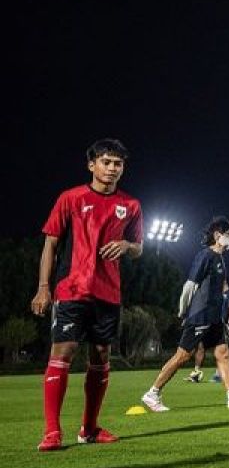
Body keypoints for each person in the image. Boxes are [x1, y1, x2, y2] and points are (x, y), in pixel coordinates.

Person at [30, 139, 143, 451]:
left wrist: (126, 246)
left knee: (101, 357)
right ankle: (52, 432)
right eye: (105, 162)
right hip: (72, 289)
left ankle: (89, 429)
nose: (111, 168)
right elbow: (50, 246)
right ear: (91, 165)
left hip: (108, 293)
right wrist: (43, 288)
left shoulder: (131, 205)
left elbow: (138, 249)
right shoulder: (70, 198)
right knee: (62, 352)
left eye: (117, 164)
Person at [141, 217, 229, 411]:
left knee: (223, 354)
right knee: (182, 357)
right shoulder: (205, 256)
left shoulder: (219, 258)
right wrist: (182, 311)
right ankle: (152, 393)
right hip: (200, 315)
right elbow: (189, 287)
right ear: (217, 236)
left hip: (214, 317)